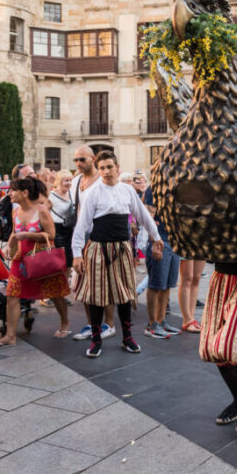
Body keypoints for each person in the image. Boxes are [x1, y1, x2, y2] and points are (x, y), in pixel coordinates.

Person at [72, 151, 163, 358]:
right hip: (98, 249)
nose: (105, 171)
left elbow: (142, 215)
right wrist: (77, 253)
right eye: (102, 168)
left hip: (121, 249)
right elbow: (82, 226)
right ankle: (96, 340)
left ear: (117, 168)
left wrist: (156, 238)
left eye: (109, 167)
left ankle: (127, 338)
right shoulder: (93, 193)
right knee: (96, 297)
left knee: (124, 295)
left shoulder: (127, 190)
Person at [0, 178, 71, 348]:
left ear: (25, 193)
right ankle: (10, 336)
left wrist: (27, 236)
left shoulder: (41, 211)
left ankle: (65, 323)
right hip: (21, 258)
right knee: (12, 295)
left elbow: (51, 235)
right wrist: (10, 245)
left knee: (55, 293)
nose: (9, 194)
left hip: (42, 258)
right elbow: (16, 233)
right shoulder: (15, 212)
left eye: (13, 190)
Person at [69, 146, 116, 342]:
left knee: (103, 283)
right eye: (76, 160)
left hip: (101, 236)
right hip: (82, 237)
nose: (79, 164)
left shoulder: (103, 182)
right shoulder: (76, 181)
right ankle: (92, 324)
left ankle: (110, 324)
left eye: (83, 159)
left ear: (93, 159)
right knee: (84, 283)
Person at [142, 174, 181, 339]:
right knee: (156, 284)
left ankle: (161, 320)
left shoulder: (177, 189)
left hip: (173, 240)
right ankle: (152, 324)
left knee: (167, 284)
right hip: (160, 240)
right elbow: (148, 217)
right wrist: (154, 242)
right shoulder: (154, 189)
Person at [48, 169, 76, 318]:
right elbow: (44, 214)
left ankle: (61, 292)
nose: (69, 183)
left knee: (68, 265)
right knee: (58, 265)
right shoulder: (50, 196)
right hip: (56, 231)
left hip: (70, 230)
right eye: (66, 180)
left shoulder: (71, 193)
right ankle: (52, 293)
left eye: (70, 180)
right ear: (58, 181)